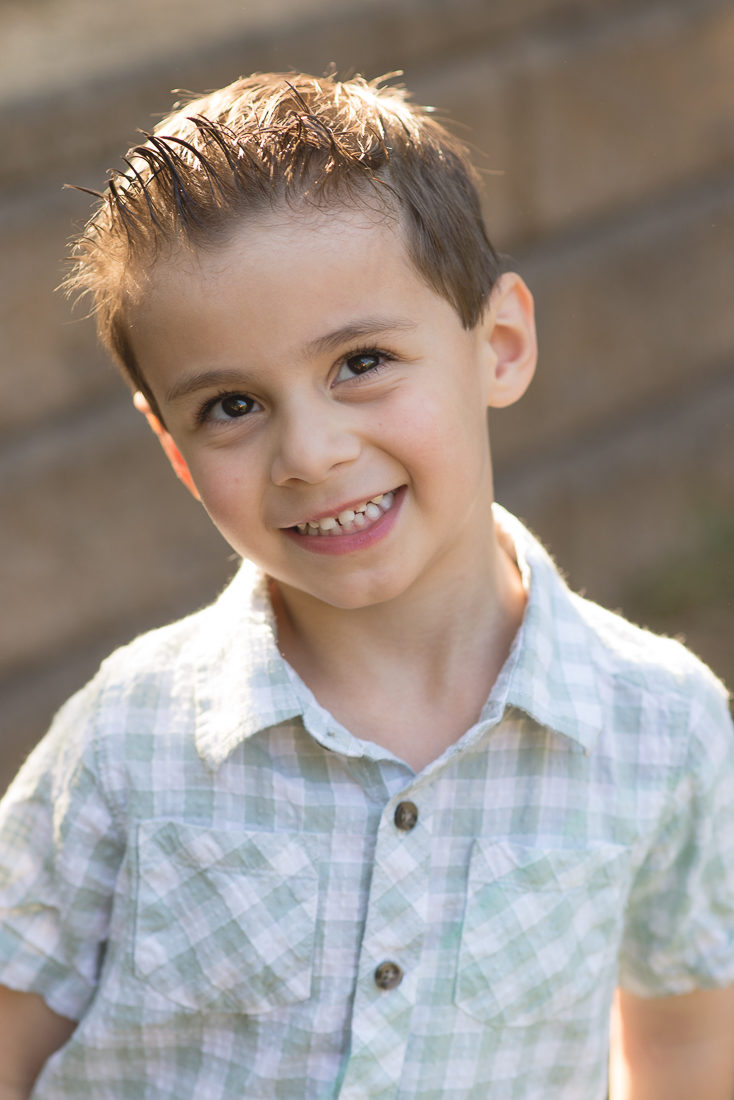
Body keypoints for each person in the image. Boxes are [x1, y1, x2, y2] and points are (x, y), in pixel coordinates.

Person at [0, 71, 732, 1100]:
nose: (311, 452)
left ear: (500, 345)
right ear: (174, 449)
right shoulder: (128, 738)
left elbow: (686, 1054)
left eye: (361, 361)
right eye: (231, 405)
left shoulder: (661, 728)